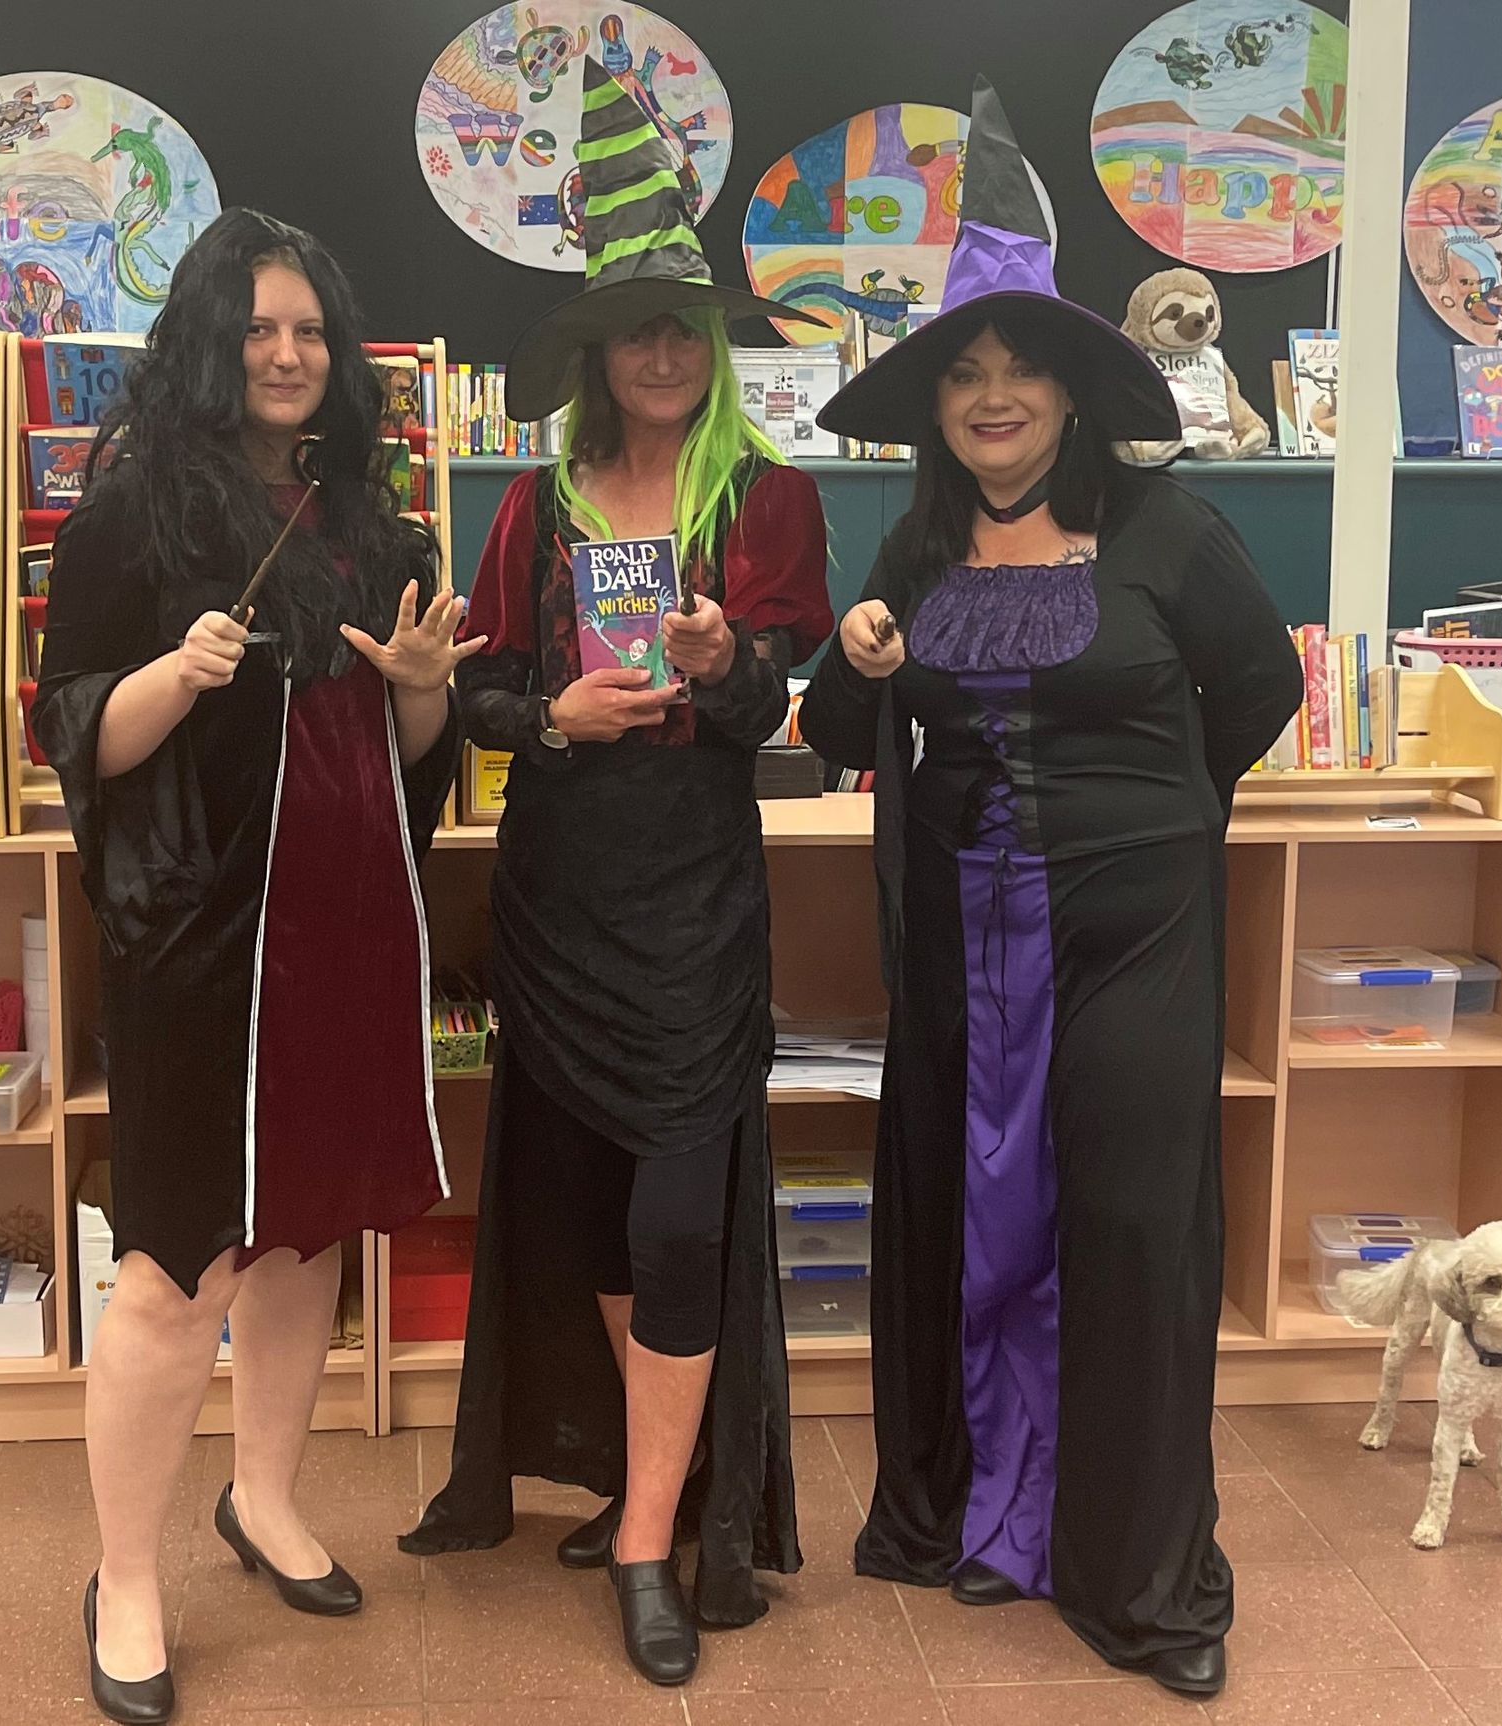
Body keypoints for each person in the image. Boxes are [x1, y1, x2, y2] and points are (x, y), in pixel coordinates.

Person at [799, 80, 1303, 1700]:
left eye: (1021, 369)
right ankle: (980, 1512)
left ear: (1075, 391)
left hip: (1134, 939)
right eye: (966, 372)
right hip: (963, 946)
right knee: (967, 1215)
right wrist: (860, 661)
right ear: (936, 401)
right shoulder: (914, 548)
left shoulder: (1167, 529)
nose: (994, 396)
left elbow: (1260, 693)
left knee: (1135, 1229)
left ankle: (1138, 1568)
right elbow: (824, 729)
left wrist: (1155, 824)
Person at [401, 62, 833, 1688]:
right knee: (584, 1202)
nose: (660, 352)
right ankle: (647, 1478)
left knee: (674, 1212)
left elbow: (776, 702)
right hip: (561, 898)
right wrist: (555, 717)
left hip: (696, 912)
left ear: (709, 347)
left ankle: (653, 1532)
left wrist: (725, 664)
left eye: (682, 328)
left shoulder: (762, 499)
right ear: (595, 353)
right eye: (632, 331)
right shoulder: (535, 501)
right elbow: (497, 691)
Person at [31, 208, 471, 1726]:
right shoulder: (133, 514)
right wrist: (172, 672)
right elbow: (70, 730)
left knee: (305, 1236)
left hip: (347, 931)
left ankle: (267, 1499)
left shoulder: (379, 520)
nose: (287, 356)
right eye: (258, 329)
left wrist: (421, 697)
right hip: (203, 948)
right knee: (176, 1262)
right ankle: (128, 1572)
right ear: (212, 341)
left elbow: (422, 761)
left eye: (311, 332)